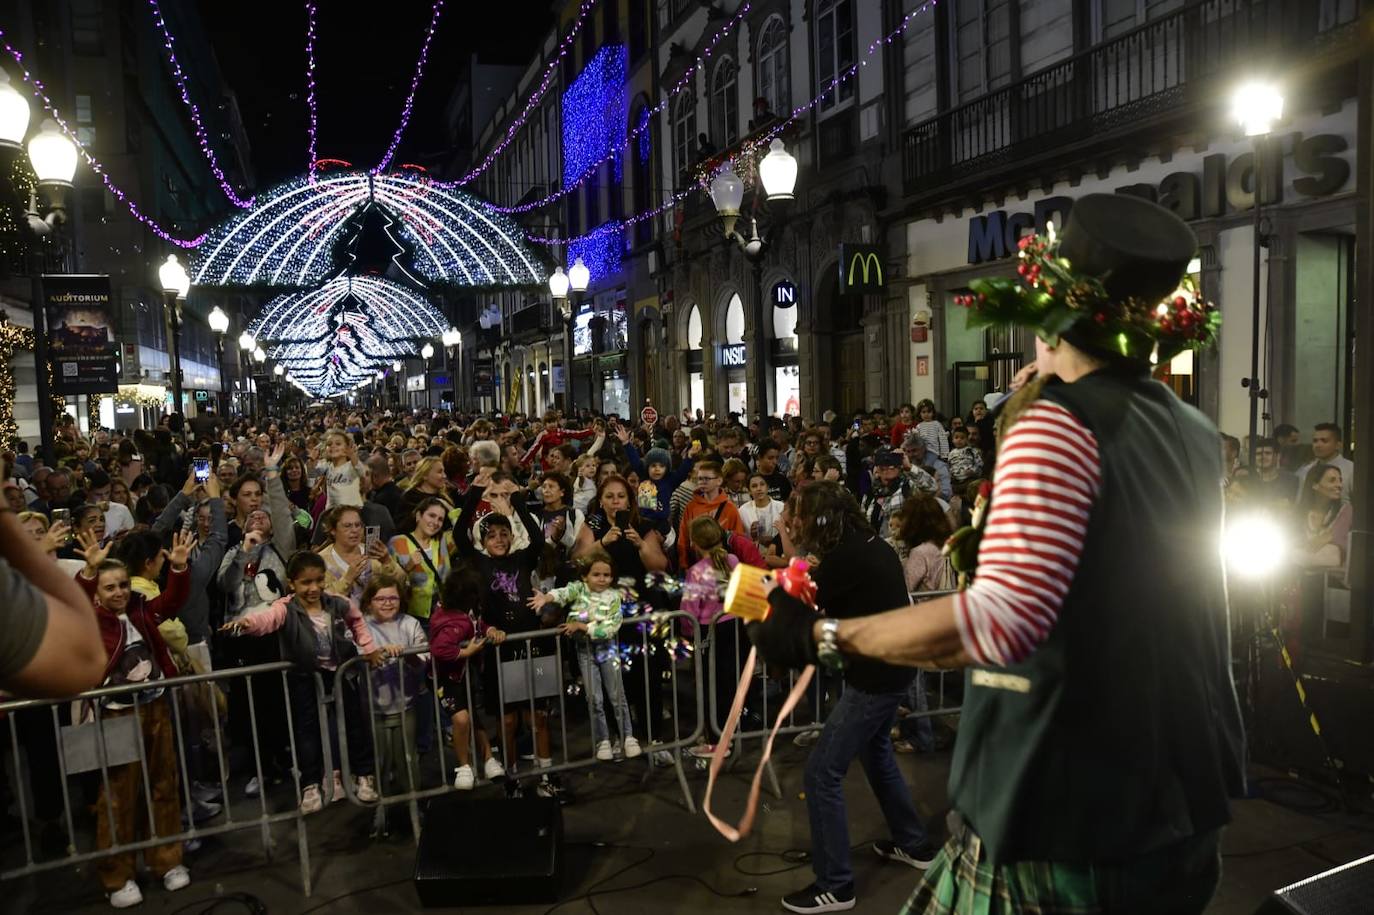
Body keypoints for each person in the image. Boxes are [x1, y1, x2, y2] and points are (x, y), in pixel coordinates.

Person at [749, 194, 1244, 914]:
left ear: (1047, 314)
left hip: (1066, 815)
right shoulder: (1192, 428)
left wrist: (821, 634)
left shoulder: (1058, 426)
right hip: (1178, 806)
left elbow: (994, 625)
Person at [761, 482, 936, 913]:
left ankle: (835, 885)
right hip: (890, 668)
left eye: (801, 515)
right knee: (877, 755)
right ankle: (915, 844)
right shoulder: (868, 545)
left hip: (875, 679)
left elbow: (793, 604)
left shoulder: (846, 558)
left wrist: (766, 579)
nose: (795, 522)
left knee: (821, 774)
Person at [73, 528, 195, 909]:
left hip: (156, 706)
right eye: (110, 587)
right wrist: (89, 574)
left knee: (163, 785)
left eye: (123, 584)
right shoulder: (91, 618)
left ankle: (167, 861)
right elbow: (75, 604)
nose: (120, 592)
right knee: (117, 797)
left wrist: (177, 568)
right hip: (115, 714)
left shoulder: (141, 607)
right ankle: (117, 875)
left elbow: (172, 603)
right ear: (98, 591)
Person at [222, 551, 381, 813]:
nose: (314, 588)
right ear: (292, 583)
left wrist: (368, 648)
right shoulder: (285, 608)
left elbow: (357, 621)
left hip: (341, 672)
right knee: (306, 730)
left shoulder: (336, 602)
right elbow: (266, 620)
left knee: (355, 723)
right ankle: (310, 784)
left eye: (319, 581)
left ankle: (364, 775)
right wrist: (247, 623)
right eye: (306, 583)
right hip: (305, 677)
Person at [531, 548, 641, 761]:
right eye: (596, 574)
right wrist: (547, 597)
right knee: (594, 698)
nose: (602, 579)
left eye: (607, 575)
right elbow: (563, 592)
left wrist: (582, 626)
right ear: (585, 576)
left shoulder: (613, 597)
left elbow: (611, 627)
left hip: (607, 649)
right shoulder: (578, 589)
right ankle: (603, 740)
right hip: (585, 651)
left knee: (617, 695)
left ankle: (628, 736)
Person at [0, 493, 105, 698]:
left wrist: (91, 570)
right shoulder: (11, 580)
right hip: (29, 683)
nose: (39, 539)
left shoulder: (76, 567)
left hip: (67, 677)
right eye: (27, 536)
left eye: (41, 532)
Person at [430, 564, 507, 790]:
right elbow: (440, 649)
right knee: (461, 719)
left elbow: (477, 625)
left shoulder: (468, 611)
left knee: (473, 716)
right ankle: (464, 767)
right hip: (447, 678)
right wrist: (467, 652)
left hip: (466, 675)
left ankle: (488, 759)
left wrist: (490, 629)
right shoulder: (448, 618)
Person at [361, 575, 429, 800]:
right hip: (373, 708)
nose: (388, 603)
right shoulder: (361, 626)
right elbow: (353, 656)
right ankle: (382, 810)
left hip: (405, 705)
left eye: (393, 598)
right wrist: (373, 656)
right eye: (381, 599)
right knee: (380, 761)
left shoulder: (410, 624)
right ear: (369, 601)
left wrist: (409, 658)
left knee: (408, 759)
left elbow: (424, 659)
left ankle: (414, 803)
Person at [679, 516, 741, 759]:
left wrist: (687, 633)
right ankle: (726, 736)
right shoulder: (733, 560)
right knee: (728, 684)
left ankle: (717, 743)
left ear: (694, 542)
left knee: (710, 686)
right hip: (734, 627)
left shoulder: (696, 572)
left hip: (708, 633)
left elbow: (689, 610)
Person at [317, 505, 404, 606]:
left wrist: (387, 562)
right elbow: (322, 601)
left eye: (358, 525)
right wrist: (348, 579)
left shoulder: (374, 554)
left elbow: (400, 585)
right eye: (347, 526)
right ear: (333, 530)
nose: (354, 530)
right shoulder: (321, 561)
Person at [389, 497, 456, 624]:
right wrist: (407, 568)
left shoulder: (443, 541)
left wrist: (449, 507)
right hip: (409, 618)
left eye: (440, 519)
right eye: (431, 515)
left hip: (442, 616)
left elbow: (466, 534)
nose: (435, 522)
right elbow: (387, 582)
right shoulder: (397, 542)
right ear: (418, 515)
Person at [676, 461, 746, 567]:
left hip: (723, 565)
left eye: (707, 479)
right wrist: (684, 565)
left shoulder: (730, 508)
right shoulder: (691, 506)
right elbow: (683, 539)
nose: (702, 482)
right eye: (700, 478)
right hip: (696, 564)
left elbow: (739, 541)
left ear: (719, 481)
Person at [1293, 464, 1352, 572]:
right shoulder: (1298, 515)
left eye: (1340, 480)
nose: (1339, 485)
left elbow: (1336, 556)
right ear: (1315, 485)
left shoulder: (1347, 513)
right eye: (1332, 480)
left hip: (1334, 583)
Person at [1295, 423, 1354, 502]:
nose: (1318, 445)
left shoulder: (1351, 470)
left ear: (1338, 445)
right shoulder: (1305, 470)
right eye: (1315, 441)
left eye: (1324, 441)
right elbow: (1300, 501)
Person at [739, 471, 787, 568]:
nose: (759, 488)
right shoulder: (743, 511)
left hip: (778, 555)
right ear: (749, 491)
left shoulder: (781, 507)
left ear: (767, 487)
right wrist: (753, 537)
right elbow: (741, 537)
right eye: (754, 486)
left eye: (762, 484)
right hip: (754, 557)